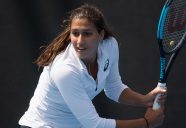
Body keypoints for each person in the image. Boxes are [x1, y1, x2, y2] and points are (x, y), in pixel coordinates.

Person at [18, 4, 167, 128]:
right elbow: (94, 124)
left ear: (100, 35)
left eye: (87, 34)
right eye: (75, 33)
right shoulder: (65, 70)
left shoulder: (110, 45)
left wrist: (144, 100)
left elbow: (113, 88)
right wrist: (146, 123)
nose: (80, 41)